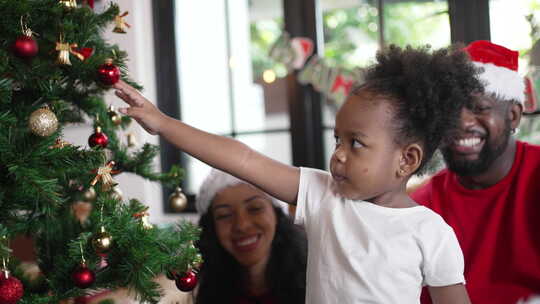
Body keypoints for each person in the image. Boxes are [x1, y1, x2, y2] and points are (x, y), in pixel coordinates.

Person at [114, 44, 483, 303]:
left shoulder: (430, 232)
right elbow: (242, 159)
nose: (337, 155)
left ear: (407, 160)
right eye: (338, 139)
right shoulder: (323, 195)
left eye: (356, 143)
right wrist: (163, 123)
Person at [411, 40, 540, 304]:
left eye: (479, 107)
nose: (461, 123)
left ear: (513, 116)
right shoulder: (422, 205)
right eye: (449, 111)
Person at [194, 168, 307, 304]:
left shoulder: (315, 282)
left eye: (255, 208)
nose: (241, 225)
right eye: (225, 215)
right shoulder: (198, 288)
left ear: (277, 214)